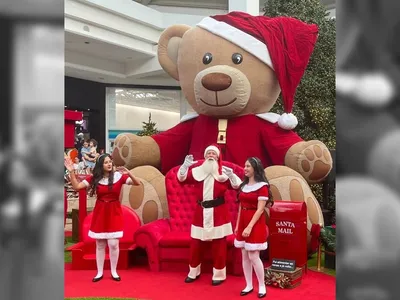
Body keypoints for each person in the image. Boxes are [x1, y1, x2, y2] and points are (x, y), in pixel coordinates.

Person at [64, 153, 140, 282]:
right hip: (100, 212)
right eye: (106, 162)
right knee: (100, 244)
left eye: (110, 161)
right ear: (101, 165)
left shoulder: (118, 176)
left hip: (114, 211)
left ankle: (114, 271)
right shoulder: (94, 178)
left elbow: (137, 183)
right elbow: (77, 187)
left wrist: (129, 173)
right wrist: (71, 171)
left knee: (113, 243)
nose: (109, 164)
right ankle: (99, 272)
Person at [177, 144, 242, 286]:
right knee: (195, 245)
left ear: (218, 157)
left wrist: (232, 175)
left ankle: (219, 275)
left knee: (219, 246)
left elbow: (238, 186)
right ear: (205, 156)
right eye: (209, 153)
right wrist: (184, 166)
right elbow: (181, 179)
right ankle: (193, 272)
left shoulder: (223, 173)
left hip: (219, 213)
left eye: (213, 153)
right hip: (200, 213)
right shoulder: (197, 172)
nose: (211, 155)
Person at [234, 157, 274, 298]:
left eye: (248, 166)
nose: (245, 168)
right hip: (244, 220)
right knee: (244, 254)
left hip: (255, 222)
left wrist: (249, 227)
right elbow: (240, 206)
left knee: (253, 255)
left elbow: (260, 210)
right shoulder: (243, 186)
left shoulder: (262, 186)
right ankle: (248, 284)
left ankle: (261, 285)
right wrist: (238, 225)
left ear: (255, 169)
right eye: (244, 166)